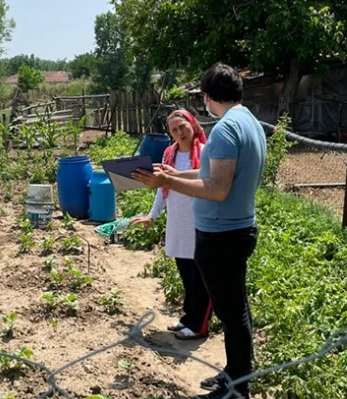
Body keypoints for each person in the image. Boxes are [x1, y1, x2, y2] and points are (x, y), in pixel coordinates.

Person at [133, 62, 266, 399]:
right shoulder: (249, 122)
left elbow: (216, 188)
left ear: (206, 97)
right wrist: (171, 176)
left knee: (232, 315)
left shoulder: (223, 130)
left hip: (221, 234)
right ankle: (234, 373)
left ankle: (236, 388)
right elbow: (207, 173)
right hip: (238, 227)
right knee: (236, 310)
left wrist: (167, 181)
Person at [131, 109, 212, 341]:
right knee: (187, 275)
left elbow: (210, 181)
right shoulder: (170, 155)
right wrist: (152, 215)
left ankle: (200, 325)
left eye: (183, 126)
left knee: (201, 278)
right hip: (178, 223)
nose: (179, 132)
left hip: (200, 224)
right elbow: (162, 190)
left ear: (193, 125)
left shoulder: (205, 153)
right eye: (174, 130)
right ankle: (189, 318)